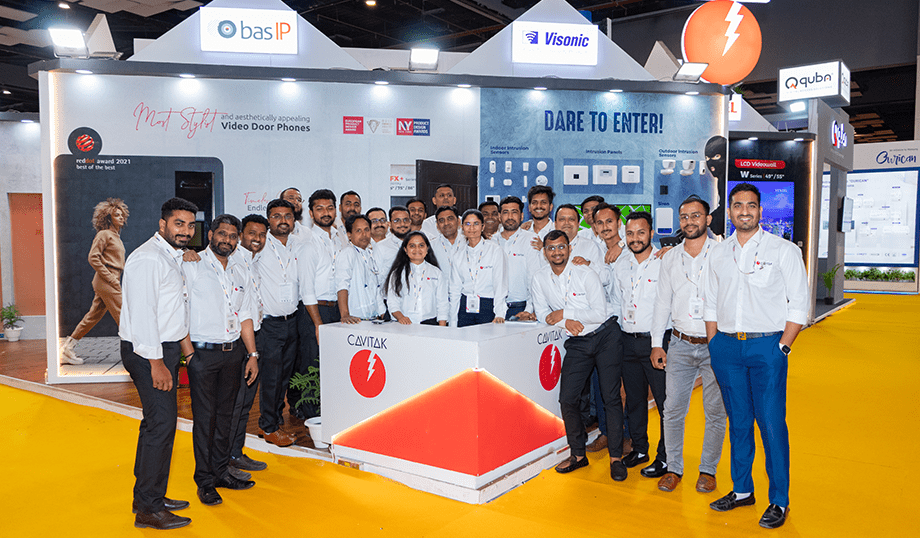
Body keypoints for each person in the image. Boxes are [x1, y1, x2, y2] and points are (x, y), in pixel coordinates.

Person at [704, 183, 808, 530]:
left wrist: (783, 346)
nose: (744, 211)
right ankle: (742, 490)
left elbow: (799, 303)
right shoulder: (719, 253)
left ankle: (779, 499)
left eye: (751, 205)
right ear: (730, 211)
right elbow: (709, 300)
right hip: (727, 348)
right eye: (738, 205)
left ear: (760, 211)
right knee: (738, 421)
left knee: (771, 424)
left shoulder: (783, 250)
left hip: (768, 347)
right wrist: (714, 343)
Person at [119, 197, 197, 530]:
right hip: (148, 351)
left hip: (162, 349)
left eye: (190, 225)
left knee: (156, 424)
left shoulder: (170, 256)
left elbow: (172, 310)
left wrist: (182, 351)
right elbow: (143, 316)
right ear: (162, 224)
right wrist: (157, 363)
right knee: (162, 425)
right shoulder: (149, 259)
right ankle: (149, 510)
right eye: (179, 224)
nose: (185, 231)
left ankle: (147, 497)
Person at [531, 230, 628, 480]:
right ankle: (578, 454)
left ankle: (616, 458)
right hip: (577, 341)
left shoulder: (586, 273)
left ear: (569, 248)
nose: (557, 252)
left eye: (561, 247)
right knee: (568, 398)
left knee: (610, 397)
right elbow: (542, 313)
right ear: (545, 253)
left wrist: (565, 313)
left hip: (605, 336)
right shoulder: (539, 278)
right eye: (551, 248)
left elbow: (599, 313)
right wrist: (565, 322)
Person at [651, 196, 727, 494]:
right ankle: (674, 468)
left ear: (708, 219)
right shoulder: (670, 258)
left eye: (696, 216)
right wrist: (657, 343)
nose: (689, 221)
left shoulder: (723, 253)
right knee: (672, 409)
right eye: (684, 217)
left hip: (715, 344)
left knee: (715, 411)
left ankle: (708, 470)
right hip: (680, 344)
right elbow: (662, 302)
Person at [181, 214, 258, 506]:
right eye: (222, 234)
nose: (227, 240)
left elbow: (245, 315)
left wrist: (252, 355)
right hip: (202, 354)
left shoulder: (240, 270)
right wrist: (189, 355)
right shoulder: (192, 265)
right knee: (205, 419)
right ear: (211, 234)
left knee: (227, 417)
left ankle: (221, 471)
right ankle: (204, 481)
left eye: (232, 236)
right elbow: (180, 311)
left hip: (234, 353)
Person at [615, 211, 669, 479]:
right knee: (635, 400)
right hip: (628, 341)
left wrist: (659, 343)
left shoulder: (665, 261)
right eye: (630, 233)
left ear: (651, 233)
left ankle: (666, 457)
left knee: (664, 402)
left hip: (657, 342)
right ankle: (639, 449)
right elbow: (618, 301)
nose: (635, 238)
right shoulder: (621, 264)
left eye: (640, 232)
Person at [291, 189, 343, 420]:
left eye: (330, 208)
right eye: (319, 209)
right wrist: (318, 324)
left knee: (332, 364)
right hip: (314, 311)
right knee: (312, 364)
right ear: (311, 214)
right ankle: (312, 417)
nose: (326, 213)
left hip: (336, 309)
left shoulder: (339, 240)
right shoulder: (308, 244)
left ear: (336, 211)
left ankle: (329, 411)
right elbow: (306, 289)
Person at [61, 198, 129, 365]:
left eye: (122, 214)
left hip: (111, 279)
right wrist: (110, 277)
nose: (121, 217)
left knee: (92, 316)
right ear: (108, 218)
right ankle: (137, 354)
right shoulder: (104, 234)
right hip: (106, 280)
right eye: (116, 215)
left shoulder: (116, 236)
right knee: (124, 316)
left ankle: (67, 348)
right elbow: (93, 257)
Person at [253, 199, 298, 447]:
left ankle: (275, 419)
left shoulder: (296, 244)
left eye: (287, 216)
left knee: (284, 377)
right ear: (269, 219)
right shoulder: (260, 245)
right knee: (271, 378)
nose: (283, 220)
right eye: (277, 216)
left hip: (292, 320)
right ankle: (268, 426)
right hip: (270, 324)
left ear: (294, 219)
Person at [228, 214, 270, 475]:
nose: (257, 239)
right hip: (240, 341)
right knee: (236, 403)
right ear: (241, 234)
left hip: (254, 336)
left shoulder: (253, 263)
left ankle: (236, 452)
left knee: (245, 403)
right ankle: (228, 458)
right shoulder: (233, 262)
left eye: (262, 235)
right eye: (252, 233)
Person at [448, 209, 508, 327]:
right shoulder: (458, 255)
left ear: (482, 226)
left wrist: (500, 313)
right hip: (465, 306)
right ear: (462, 227)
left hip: (488, 305)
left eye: (476, 223)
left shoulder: (495, 250)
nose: (472, 228)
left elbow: (500, 284)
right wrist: (453, 321)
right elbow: (455, 289)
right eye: (467, 224)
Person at [385, 231, 449, 326]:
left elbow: (442, 304)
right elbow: (393, 303)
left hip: (430, 324)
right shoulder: (397, 274)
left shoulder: (437, 273)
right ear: (405, 249)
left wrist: (441, 329)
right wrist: (401, 317)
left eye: (421, 245)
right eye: (412, 246)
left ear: (427, 248)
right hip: (404, 324)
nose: (417, 249)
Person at [496, 196, 542, 320]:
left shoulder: (531, 239)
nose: (510, 216)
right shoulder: (491, 241)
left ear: (521, 216)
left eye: (514, 212)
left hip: (520, 307)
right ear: (499, 216)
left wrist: (529, 309)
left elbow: (533, 277)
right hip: (494, 307)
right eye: (506, 212)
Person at [336, 214, 385, 323]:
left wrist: (383, 313)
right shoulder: (348, 252)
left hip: (373, 319)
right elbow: (342, 285)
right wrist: (345, 314)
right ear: (349, 235)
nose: (364, 234)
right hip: (355, 319)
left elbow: (376, 287)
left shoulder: (370, 254)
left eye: (366, 230)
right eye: (358, 231)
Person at [555, 204, 604, 269]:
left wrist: (588, 265)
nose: (566, 223)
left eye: (571, 219)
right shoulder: (548, 247)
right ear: (555, 224)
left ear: (578, 224)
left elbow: (604, 273)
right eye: (562, 219)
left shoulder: (592, 246)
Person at [373, 206, 411, 282]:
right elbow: (375, 278)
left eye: (405, 220)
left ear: (410, 222)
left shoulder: (417, 245)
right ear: (389, 224)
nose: (402, 224)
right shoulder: (381, 246)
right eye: (397, 221)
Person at [430, 205, 463, 277]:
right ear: (437, 225)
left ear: (458, 221)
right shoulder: (431, 246)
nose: (446, 223)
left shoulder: (468, 243)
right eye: (441, 220)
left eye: (450, 219)